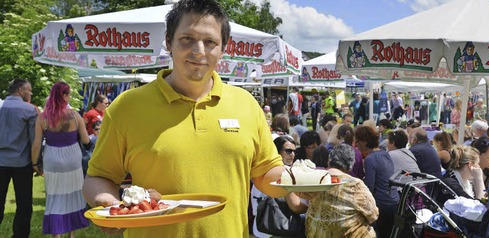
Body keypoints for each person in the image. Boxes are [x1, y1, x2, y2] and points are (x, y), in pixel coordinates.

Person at [83, 1, 288, 236]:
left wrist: (308, 182)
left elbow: (266, 174)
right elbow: (98, 177)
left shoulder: (246, 105)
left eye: (210, 41)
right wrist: (108, 202)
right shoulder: (126, 107)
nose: (198, 50)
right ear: (169, 41)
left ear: (223, 48)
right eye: (187, 38)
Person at [31, 82, 90, 237]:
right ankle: (71, 234)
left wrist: (35, 163)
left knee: (54, 195)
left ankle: (56, 235)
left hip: (52, 159)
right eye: (68, 94)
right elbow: (85, 140)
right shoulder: (75, 115)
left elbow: (37, 144)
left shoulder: (43, 117)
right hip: (73, 159)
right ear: (64, 95)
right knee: (73, 195)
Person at [301, 144, 379, 237]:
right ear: (350, 165)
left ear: (329, 160)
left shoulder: (316, 179)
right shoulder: (355, 185)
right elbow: (373, 215)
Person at [0, 79, 38, 238]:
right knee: (24, 205)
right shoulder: (29, 110)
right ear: (21, 90)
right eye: (29, 90)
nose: (31, 93)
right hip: (21, 163)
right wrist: (36, 163)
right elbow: (33, 139)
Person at [251, 136, 307, 238]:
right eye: (288, 151)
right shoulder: (283, 172)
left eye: (295, 151)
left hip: (259, 228)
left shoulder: (260, 169)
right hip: (276, 229)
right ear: (277, 152)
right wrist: (312, 208)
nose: (293, 155)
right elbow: (296, 206)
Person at [354, 125, 398, 238]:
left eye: (358, 141)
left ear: (364, 141)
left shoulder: (370, 159)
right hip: (394, 202)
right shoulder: (385, 154)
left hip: (381, 205)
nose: (356, 145)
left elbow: (369, 187)